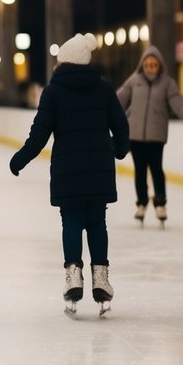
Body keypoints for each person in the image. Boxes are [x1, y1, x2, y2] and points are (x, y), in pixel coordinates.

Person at [9, 33, 130, 317]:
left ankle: (73, 276)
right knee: (97, 221)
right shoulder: (103, 88)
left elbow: (39, 134)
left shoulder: (53, 91)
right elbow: (121, 126)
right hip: (100, 167)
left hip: (67, 170)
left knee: (72, 220)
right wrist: (120, 150)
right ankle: (101, 279)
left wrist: (20, 159)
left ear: (63, 62)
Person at [115, 46, 183, 226]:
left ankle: (160, 202)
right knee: (140, 171)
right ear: (143, 65)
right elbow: (118, 101)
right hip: (135, 135)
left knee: (156, 169)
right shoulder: (134, 81)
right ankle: (142, 202)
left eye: (154, 64)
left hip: (156, 136)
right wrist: (102, 115)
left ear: (160, 66)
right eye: (148, 64)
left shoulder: (167, 83)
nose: (150, 67)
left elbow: (179, 105)